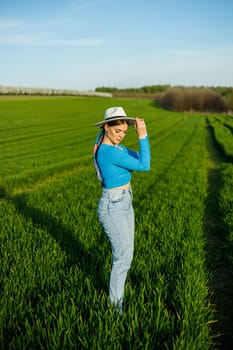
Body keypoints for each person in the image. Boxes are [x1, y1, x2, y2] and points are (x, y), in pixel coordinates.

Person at [93, 106, 150, 314]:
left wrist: (140, 137)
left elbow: (140, 160)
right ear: (106, 127)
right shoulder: (108, 152)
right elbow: (145, 165)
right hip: (113, 205)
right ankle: (116, 310)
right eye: (118, 131)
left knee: (127, 254)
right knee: (123, 258)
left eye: (125, 132)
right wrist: (142, 136)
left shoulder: (117, 149)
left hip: (125, 201)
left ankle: (117, 301)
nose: (121, 136)